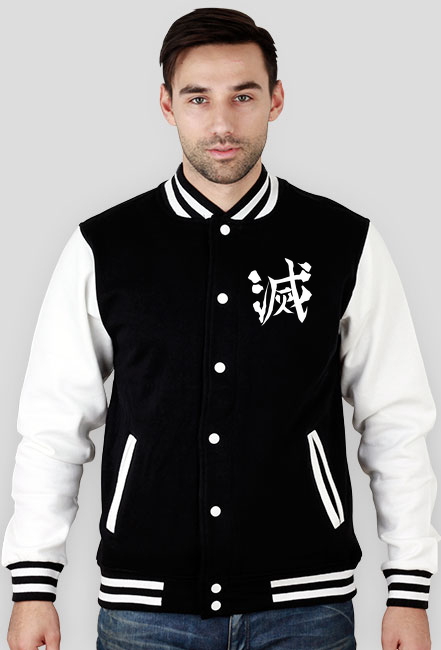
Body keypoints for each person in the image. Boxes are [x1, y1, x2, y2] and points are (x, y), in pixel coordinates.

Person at [2, 7, 439, 650]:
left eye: (244, 96)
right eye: (198, 98)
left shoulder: (343, 243)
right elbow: (53, 424)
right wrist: (33, 586)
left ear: (276, 99)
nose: (222, 124)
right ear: (167, 105)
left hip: (306, 608)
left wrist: (409, 590)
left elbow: (395, 421)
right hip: (146, 610)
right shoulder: (106, 247)